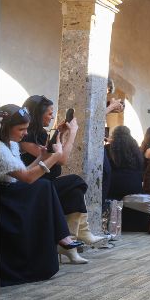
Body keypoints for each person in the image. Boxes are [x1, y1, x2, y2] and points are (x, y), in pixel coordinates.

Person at [1, 104, 87, 285]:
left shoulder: (11, 145)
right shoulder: (1, 149)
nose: (25, 133)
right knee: (44, 186)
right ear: (5, 128)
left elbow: (24, 171)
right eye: (21, 129)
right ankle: (63, 237)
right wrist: (54, 157)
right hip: (5, 198)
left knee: (53, 185)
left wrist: (43, 155)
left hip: (12, 190)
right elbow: (27, 178)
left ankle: (63, 238)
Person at [20, 95, 106, 246]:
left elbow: (52, 153)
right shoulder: (27, 139)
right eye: (49, 113)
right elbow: (61, 159)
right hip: (36, 186)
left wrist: (61, 133)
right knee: (76, 181)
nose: (52, 116)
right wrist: (72, 133)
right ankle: (77, 237)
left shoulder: (40, 134)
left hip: (46, 183)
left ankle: (71, 243)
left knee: (75, 191)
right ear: (38, 115)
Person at [104, 126, 145, 200]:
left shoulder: (108, 148)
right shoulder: (135, 146)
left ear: (114, 135)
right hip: (134, 184)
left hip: (114, 184)